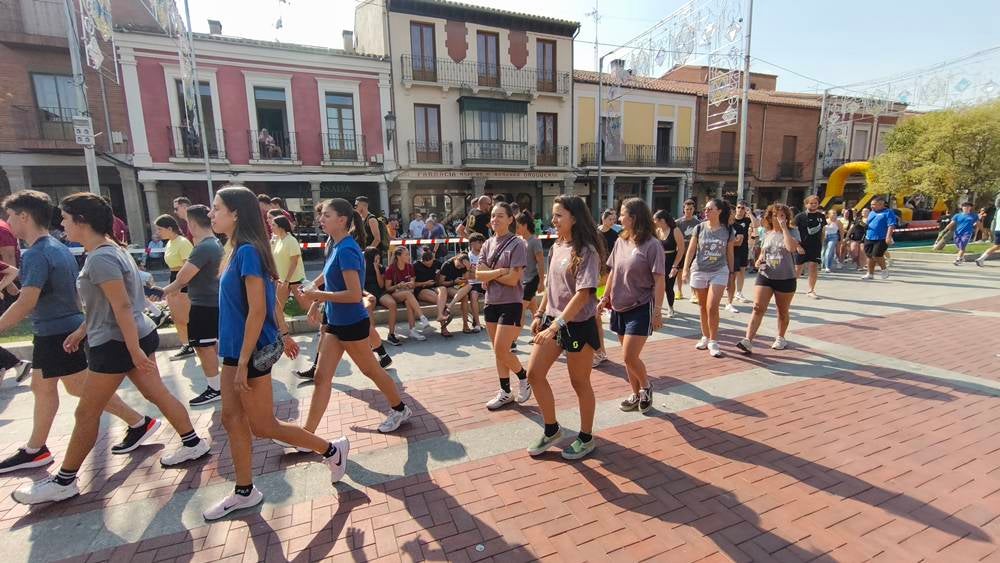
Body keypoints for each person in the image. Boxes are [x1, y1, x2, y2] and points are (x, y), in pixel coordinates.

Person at [12, 193, 210, 504]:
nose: (62, 225)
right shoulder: (110, 251)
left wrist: (132, 350)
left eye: (66, 219)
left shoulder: (102, 257)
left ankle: (64, 481)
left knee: (87, 411)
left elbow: (121, 305)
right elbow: (105, 305)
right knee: (156, 394)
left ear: (82, 221)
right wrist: (82, 330)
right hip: (127, 337)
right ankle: (193, 442)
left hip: (117, 344)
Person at [201, 186, 346, 520]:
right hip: (235, 350)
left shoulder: (249, 252)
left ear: (236, 213)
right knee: (230, 418)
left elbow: (258, 310)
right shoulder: (234, 249)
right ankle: (244, 490)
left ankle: (331, 450)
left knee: (264, 426)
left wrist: (243, 363)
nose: (211, 213)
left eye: (216, 208)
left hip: (248, 352)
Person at [0, 192, 159, 475]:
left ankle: (60, 464)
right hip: (63, 330)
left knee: (85, 397)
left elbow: (27, 302)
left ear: (24, 216)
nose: (7, 222)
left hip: (57, 332)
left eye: (10, 216)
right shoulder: (57, 247)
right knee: (50, 388)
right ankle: (36, 449)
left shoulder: (39, 252)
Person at [298, 198, 412, 438]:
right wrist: (314, 299)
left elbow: (353, 294)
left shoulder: (348, 249)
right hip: (334, 321)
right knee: (321, 377)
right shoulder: (333, 243)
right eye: (321, 215)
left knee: (371, 370)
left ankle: (400, 409)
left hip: (351, 322)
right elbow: (327, 276)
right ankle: (307, 433)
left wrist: (317, 296)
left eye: (326, 215)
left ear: (342, 220)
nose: (320, 219)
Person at [525, 195, 603, 460]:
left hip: (577, 325)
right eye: (554, 214)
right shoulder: (557, 245)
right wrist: (540, 313)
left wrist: (556, 325)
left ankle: (586, 437)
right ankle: (552, 429)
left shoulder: (587, 251)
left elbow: (583, 294)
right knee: (534, 374)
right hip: (553, 321)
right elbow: (550, 286)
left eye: (559, 215)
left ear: (574, 218)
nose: (553, 220)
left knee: (579, 382)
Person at [601, 198, 665, 414]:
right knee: (627, 357)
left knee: (629, 356)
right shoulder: (621, 241)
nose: (619, 218)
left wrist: (658, 311)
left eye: (622, 214)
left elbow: (659, 280)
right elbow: (613, 271)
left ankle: (646, 387)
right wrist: (604, 298)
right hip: (619, 306)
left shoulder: (652, 245)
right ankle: (635, 394)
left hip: (641, 306)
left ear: (634, 217)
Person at [162, 205, 224, 407]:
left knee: (203, 346)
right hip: (211, 302)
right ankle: (220, 384)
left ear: (192, 223)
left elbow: (183, 277)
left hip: (204, 305)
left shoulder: (204, 247)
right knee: (210, 345)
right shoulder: (214, 243)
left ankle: (215, 388)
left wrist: (163, 291)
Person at [476, 202, 531, 410]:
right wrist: (500, 271)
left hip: (511, 302)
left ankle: (524, 377)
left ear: (510, 219)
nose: (495, 219)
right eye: (492, 215)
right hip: (491, 302)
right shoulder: (487, 243)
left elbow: (513, 279)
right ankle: (505, 391)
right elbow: (478, 274)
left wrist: (490, 274)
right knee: (498, 351)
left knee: (502, 349)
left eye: (500, 215)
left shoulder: (517, 244)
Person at [737, 204, 799, 354]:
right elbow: (763, 252)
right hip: (766, 275)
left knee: (782, 310)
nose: (778, 218)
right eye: (775, 215)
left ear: (787, 217)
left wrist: (784, 229)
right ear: (770, 217)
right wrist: (759, 261)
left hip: (785, 277)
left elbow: (791, 248)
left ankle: (780, 337)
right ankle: (748, 340)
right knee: (758, 307)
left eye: (782, 215)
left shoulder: (793, 231)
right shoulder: (766, 233)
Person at [682, 199, 735, 358]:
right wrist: (685, 269)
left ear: (719, 211)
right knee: (702, 307)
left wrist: (732, 273)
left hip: (719, 270)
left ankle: (713, 341)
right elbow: (691, 250)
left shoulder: (727, 230)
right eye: (705, 209)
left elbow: (730, 253)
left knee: (712, 307)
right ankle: (705, 336)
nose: (706, 211)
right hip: (699, 270)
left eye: (710, 209)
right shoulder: (699, 228)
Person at [156, 215, 195, 360]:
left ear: (169, 228)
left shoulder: (183, 242)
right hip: (173, 277)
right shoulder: (169, 243)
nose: (158, 232)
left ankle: (191, 344)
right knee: (176, 316)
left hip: (183, 280)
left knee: (184, 316)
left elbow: (188, 266)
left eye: (160, 229)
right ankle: (185, 344)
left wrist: (180, 285)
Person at [384, 246, 430, 342]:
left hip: (407, 294)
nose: (409, 256)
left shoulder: (409, 267)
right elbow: (387, 288)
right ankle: (422, 317)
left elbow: (413, 283)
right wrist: (398, 286)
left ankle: (412, 330)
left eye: (408, 254)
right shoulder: (391, 269)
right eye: (406, 254)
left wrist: (410, 284)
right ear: (398, 256)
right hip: (395, 295)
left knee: (409, 300)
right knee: (408, 295)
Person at [593, 209, 619, 367]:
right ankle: (599, 351)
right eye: (610, 218)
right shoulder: (595, 233)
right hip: (597, 274)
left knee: (596, 315)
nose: (613, 221)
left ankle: (600, 351)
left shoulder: (615, 235)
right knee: (595, 316)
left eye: (614, 219)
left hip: (605, 274)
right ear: (603, 218)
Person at [270, 214, 310, 312]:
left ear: (281, 227)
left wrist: (287, 281)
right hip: (283, 280)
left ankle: (323, 321)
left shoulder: (291, 240)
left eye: (273, 225)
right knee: (277, 308)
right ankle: (280, 324)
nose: (271, 227)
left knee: (307, 306)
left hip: (296, 280)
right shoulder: (277, 240)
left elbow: (294, 262)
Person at [654, 210, 685, 318]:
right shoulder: (657, 231)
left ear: (662, 220)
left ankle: (670, 307)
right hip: (658, 261)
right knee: (656, 285)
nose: (654, 222)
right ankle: (656, 307)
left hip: (671, 261)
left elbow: (681, 249)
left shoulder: (675, 230)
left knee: (668, 286)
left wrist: (675, 265)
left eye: (655, 220)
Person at [517, 211, 545, 325]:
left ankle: (514, 334)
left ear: (525, 225)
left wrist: (542, 282)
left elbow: (541, 262)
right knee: (534, 308)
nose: (516, 229)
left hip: (532, 280)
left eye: (518, 226)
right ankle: (538, 330)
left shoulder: (535, 241)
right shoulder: (521, 241)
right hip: (523, 279)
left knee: (520, 309)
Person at [794, 195, 825, 298]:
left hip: (815, 246)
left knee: (813, 266)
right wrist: (797, 246)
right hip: (802, 245)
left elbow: (822, 231)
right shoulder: (800, 216)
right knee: (798, 269)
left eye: (815, 203)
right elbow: (793, 232)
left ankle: (811, 290)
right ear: (806, 204)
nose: (813, 205)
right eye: (811, 203)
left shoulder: (821, 216)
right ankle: (790, 287)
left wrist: (821, 244)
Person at [436, 253, 475, 336]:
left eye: (462, 266)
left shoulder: (464, 266)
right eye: (459, 265)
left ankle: (464, 324)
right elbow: (440, 283)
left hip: (458, 288)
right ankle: (444, 327)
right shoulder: (447, 265)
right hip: (447, 288)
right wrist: (454, 282)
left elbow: (467, 280)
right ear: (456, 259)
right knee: (464, 295)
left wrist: (467, 269)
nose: (460, 267)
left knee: (467, 291)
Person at [729, 201, 757, 306]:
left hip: (743, 248)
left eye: (743, 208)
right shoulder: (731, 219)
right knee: (730, 272)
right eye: (739, 207)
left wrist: (750, 213)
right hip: (731, 248)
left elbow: (756, 225)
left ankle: (739, 292)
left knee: (741, 271)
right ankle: (728, 290)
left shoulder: (747, 220)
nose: (740, 210)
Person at [862, 196, 897, 280]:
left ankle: (884, 269)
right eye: (871, 204)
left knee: (877, 255)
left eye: (874, 204)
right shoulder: (871, 213)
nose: (871, 206)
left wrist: (888, 236)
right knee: (869, 256)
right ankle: (870, 274)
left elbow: (891, 225)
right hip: (869, 237)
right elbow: (868, 223)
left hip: (881, 238)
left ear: (881, 204)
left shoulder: (888, 212)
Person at [676, 199, 701, 301]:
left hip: (693, 252)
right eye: (687, 209)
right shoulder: (678, 222)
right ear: (684, 209)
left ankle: (693, 294)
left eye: (691, 209)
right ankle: (679, 291)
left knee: (692, 271)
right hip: (681, 251)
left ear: (694, 209)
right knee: (680, 271)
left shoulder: (698, 223)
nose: (689, 211)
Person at [413, 249, 444, 329]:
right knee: (440, 301)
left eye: (431, 263)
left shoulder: (435, 262)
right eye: (427, 264)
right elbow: (412, 284)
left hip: (433, 287)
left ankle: (442, 315)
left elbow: (445, 267)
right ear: (422, 261)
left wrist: (439, 274)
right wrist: (425, 283)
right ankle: (445, 316)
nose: (430, 266)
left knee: (443, 290)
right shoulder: (416, 266)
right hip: (420, 289)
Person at [465, 233, 486, 332]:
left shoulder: (485, 255)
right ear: (472, 243)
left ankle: (495, 321)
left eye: (482, 242)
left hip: (485, 281)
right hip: (473, 284)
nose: (482, 245)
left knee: (497, 292)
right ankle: (477, 324)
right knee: (473, 295)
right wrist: (480, 273)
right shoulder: (466, 256)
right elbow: (467, 275)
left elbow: (489, 271)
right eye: (479, 242)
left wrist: (474, 271)